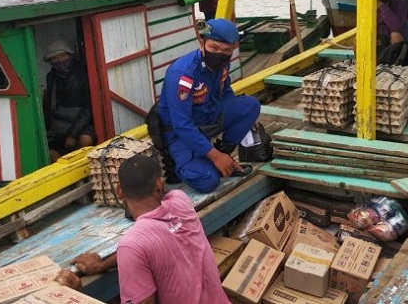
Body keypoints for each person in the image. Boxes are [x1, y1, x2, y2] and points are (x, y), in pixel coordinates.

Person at [55, 154, 230, 304]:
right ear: (160, 185)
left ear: (119, 191)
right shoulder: (181, 201)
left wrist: (78, 296)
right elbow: (145, 249)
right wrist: (103, 264)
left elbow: (140, 248)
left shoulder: (133, 245)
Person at [158, 18, 260, 193]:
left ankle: (224, 154)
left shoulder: (222, 63)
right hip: (180, 131)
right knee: (208, 181)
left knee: (251, 106)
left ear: (232, 49)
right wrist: (214, 156)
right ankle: (179, 163)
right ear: (201, 43)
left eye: (226, 51)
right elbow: (181, 125)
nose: (219, 54)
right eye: (214, 48)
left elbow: (225, 90)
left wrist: (240, 117)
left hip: (208, 116)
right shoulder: (183, 75)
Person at [43, 39, 95, 162]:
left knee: (85, 140)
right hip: (60, 125)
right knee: (49, 152)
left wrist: (73, 134)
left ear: (70, 55)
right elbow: (49, 107)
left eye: (62, 56)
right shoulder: (52, 78)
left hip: (82, 123)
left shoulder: (84, 74)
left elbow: (88, 109)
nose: (59, 61)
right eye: (54, 59)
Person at [375, 0, 408, 65]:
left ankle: (395, 68)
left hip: (393, 39)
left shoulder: (399, 4)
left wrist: (382, 7)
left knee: (395, 35)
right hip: (378, 37)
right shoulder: (370, 3)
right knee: (358, 39)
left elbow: (396, 26)